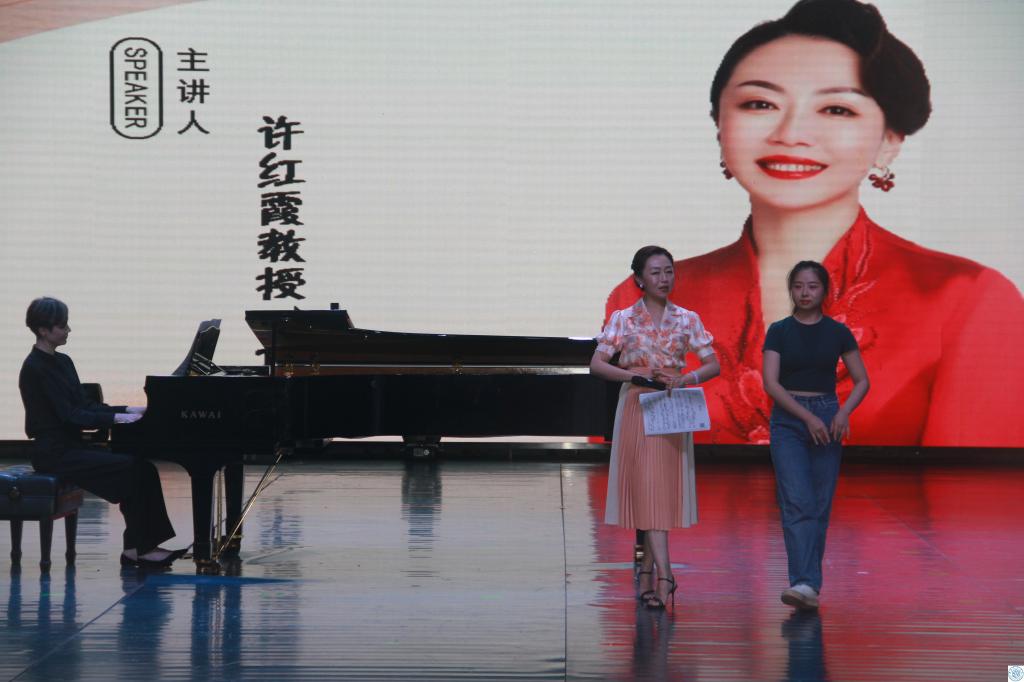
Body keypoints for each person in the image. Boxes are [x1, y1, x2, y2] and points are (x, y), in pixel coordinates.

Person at [604, 0, 1024, 447]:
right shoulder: (642, 296)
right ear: (720, 127)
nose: (791, 133)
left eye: (836, 109)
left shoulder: (968, 301)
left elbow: (975, 487)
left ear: (889, 140)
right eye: (760, 103)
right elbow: (622, 465)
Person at [590, 246, 720, 609]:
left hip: (672, 406)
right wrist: (633, 375)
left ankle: (649, 572)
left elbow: (713, 364)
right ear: (639, 279)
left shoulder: (687, 318)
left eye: (668, 271)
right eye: (655, 272)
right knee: (647, 488)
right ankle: (665, 575)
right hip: (637, 404)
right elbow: (597, 365)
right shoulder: (624, 318)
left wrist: (686, 378)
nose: (664, 279)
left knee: (658, 491)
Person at [18, 297, 185, 568]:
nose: (68, 330)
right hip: (54, 453)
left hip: (71, 447)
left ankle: (135, 549)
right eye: (62, 326)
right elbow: (71, 415)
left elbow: (85, 405)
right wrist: (118, 418)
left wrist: (129, 409)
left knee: (143, 470)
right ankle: (143, 550)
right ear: (43, 330)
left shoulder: (63, 361)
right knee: (134, 470)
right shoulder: (35, 367)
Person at [763, 261, 869, 610]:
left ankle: (809, 584)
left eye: (812, 286)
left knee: (820, 506)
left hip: (827, 417)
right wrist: (807, 417)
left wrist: (842, 413)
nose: (805, 293)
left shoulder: (838, 332)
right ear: (790, 290)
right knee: (797, 502)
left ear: (825, 291)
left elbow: (862, 380)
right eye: (798, 286)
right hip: (789, 420)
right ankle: (804, 582)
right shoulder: (779, 331)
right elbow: (771, 383)